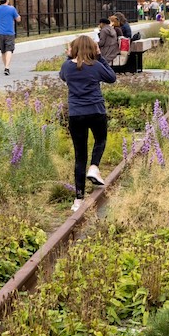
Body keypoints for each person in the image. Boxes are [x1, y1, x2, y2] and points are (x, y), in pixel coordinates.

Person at [59, 35, 117, 212]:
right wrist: (100, 57)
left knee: (79, 156)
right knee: (100, 140)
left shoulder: (67, 67)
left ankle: (78, 199)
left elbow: (63, 77)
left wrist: (69, 56)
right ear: (93, 48)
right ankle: (94, 166)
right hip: (96, 111)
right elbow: (112, 78)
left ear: (73, 49)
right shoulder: (96, 66)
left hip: (76, 114)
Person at [0, 0, 21, 76]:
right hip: (9, 32)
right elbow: (18, 19)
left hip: (0, 32)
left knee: (3, 50)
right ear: (7, 0)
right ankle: (7, 67)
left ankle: (5, 66)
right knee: (9, 49)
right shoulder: (12, 8)